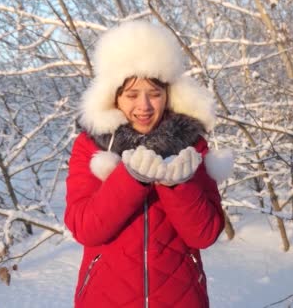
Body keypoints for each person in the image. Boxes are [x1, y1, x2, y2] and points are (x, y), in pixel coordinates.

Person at [65, 20, 233, 308]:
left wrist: (178, 185)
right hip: (104, 299)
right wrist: (131, 179)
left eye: (154, 93)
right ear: (114, 97)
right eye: (131, 95)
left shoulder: (191, 144)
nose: (144, 106)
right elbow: (85, 228)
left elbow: (204, 234)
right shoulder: (92, 145)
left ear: (168, 95)